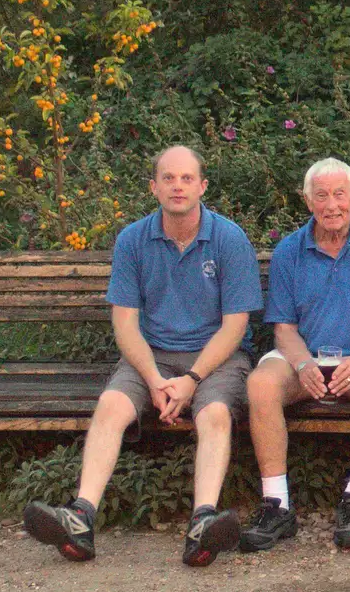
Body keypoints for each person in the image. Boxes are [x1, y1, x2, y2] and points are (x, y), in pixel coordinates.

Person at [22, 146, 261, 566]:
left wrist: (191, 380)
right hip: (151, 357)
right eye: (168, 178)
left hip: (217, 358)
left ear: (203, 186)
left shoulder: (229, 239)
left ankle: (202, 524)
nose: (178, 186)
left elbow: (235, 326)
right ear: (154, 187)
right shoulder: (133, 239)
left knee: (215, 414)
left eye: (187, 178)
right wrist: (153, 379)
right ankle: (80, 518)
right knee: (111, 405)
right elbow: (126, 324)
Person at [239, 158, 350, 553]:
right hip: (304, 357)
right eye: (321, 196)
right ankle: (276, 503)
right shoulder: (289, 252)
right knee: (260, 383)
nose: (331, 204)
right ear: (307, 200)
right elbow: (284, 329)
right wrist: (302, 363)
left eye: (339, 194)